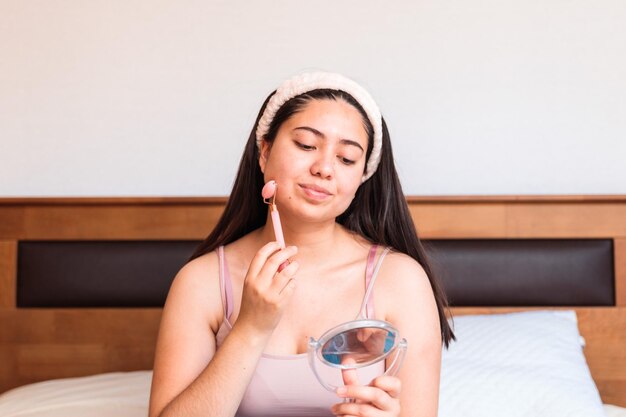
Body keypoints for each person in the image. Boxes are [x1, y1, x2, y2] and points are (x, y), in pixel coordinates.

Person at [148, 72, 454, 417]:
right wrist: (251, 328)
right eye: (307, 145)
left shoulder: (401, 280)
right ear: (264, 152)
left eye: (347, 159)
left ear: (361, 179)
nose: (324, 168)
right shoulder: (201, 282)